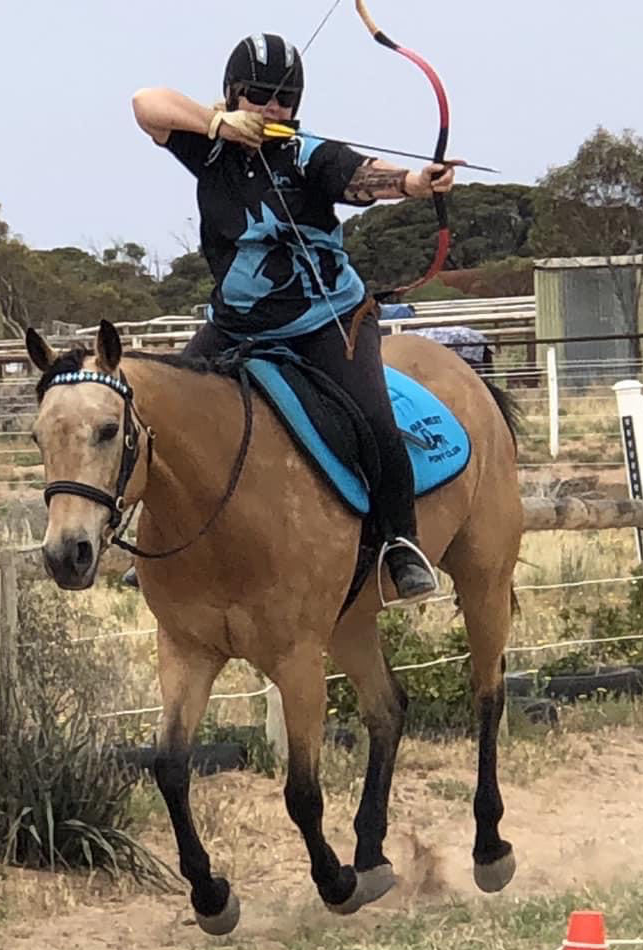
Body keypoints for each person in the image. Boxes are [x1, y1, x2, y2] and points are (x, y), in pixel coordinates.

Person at [131, 33, 455, 604]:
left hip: (326, 319)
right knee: (161, 417)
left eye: (283, 99)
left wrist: (410, 182)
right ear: (232, 94)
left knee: (374, 423)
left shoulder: (308, 154)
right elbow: (145, 103)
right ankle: (164, 546)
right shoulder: (206, 146)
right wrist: (218, 125)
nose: (270, 109)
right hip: (235, 322)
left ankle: (401, 544)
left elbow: (358, 175)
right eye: (256, 96)